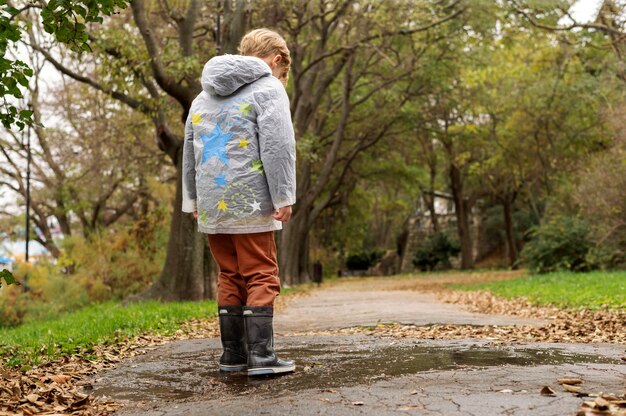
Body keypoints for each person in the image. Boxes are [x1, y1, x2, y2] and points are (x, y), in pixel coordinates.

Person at [181, 28, 296, 376]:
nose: (280, 77)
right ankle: (262, 357)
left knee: (230, 274)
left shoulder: (203, 96)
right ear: (277, 60)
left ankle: (233, 356)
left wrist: (193, 199)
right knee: (262, 273)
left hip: (213, 202)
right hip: (251, 201)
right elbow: (278, 147)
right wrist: (284, 195)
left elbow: (189, 151)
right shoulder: (268, 88)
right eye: (282, 71)